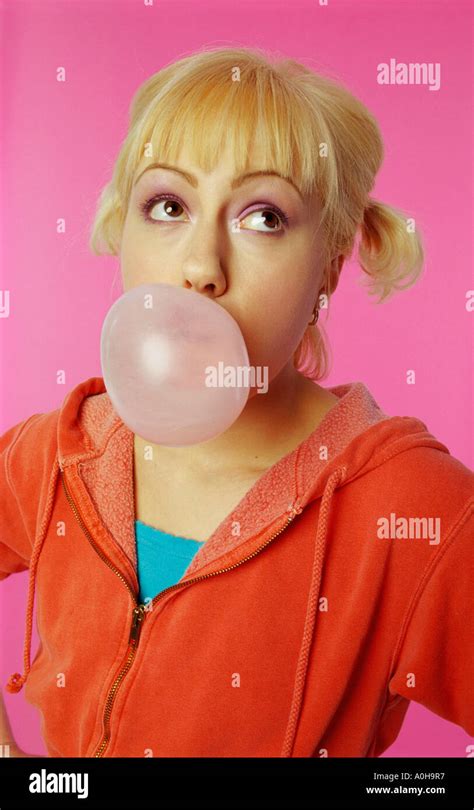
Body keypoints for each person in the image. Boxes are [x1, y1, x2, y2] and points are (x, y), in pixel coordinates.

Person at [1, 46, 472, 759]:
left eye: (263, 218)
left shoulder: (411, 507)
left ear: (332, 265)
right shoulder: (62, 452)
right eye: (167, 205)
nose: (200, 267)